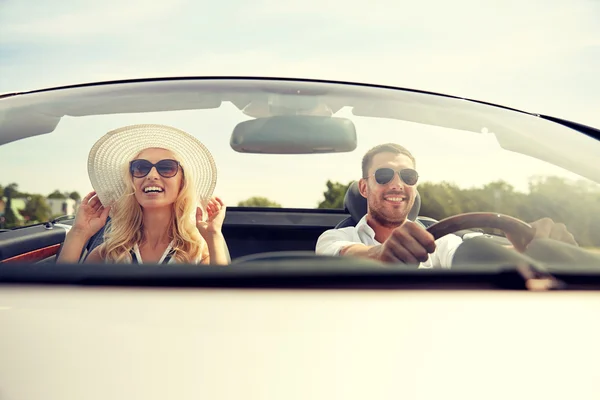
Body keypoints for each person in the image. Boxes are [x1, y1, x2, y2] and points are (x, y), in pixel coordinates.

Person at [315, 143, 579, 268]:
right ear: (364, 187)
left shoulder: (439, 240)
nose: (397, 184)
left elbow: (469, 259)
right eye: (384, 175)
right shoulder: (336, 237)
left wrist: (529, 251)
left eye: (408, 176)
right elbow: (344, 254)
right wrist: (382, 254)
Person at [57, 124, 229, 265]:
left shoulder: (197, 252)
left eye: (166, 167)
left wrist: (214, 237)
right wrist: (78, 232)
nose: (152, 175)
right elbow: (61, 294)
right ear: (132, 181)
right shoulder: (111, 251)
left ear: (182, 183)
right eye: (141, 167)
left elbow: (223, 300)